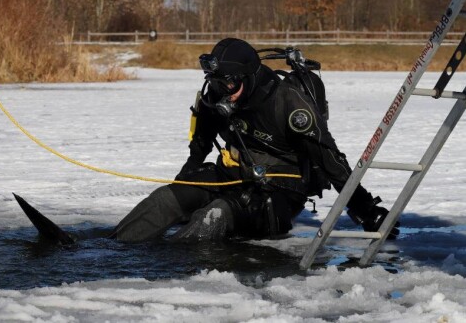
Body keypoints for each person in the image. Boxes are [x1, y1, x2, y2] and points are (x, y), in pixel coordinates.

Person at [112, 37, 399, 242]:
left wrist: (365, 209)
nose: (223, 91)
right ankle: (114, 251)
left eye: (229, 84)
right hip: (232, 173)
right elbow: (203, 137)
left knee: (215, 215)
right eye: (216, 83)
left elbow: (329, 159)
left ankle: (172, 272)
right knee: (165, 199)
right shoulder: (217, 91)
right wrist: (187, 177)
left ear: (247, 77)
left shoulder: (287, 103)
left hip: (280, 188)